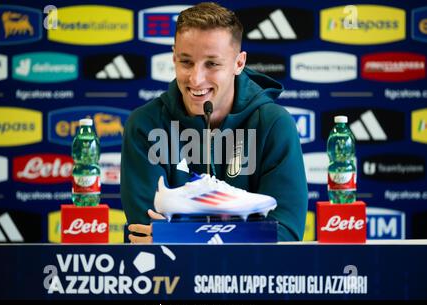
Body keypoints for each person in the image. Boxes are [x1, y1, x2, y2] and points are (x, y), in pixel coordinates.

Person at [121, 2, 307, 243]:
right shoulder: (145, 124)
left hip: (249, 278)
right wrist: (242, 232)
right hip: (169, 279)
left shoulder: (273, 124)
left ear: (239, 63)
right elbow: (144, 230)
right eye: (186, 62)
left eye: (212, 64)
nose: (196, 79)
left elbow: (285, 232)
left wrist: (181, 234)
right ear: (174, 57)